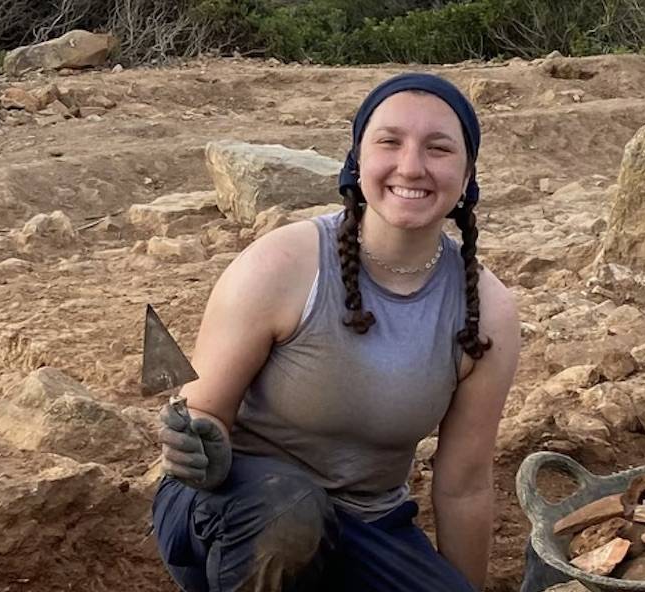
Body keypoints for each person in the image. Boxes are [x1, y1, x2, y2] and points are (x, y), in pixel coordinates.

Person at [152, 72, 520, 592]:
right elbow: (204, 413)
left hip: (366, 527)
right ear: (357, 160)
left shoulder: (487, 311)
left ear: (467, 176)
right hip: (235, 513)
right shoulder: (282, 265)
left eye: (438, 148)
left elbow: (463, 486)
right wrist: (197, 440)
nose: (411, 166)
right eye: (389, 142)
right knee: (290, 513)